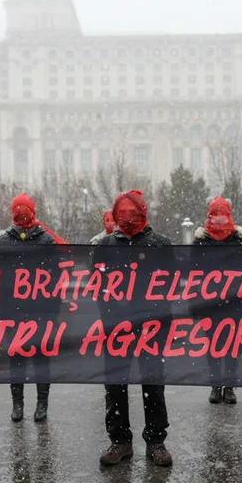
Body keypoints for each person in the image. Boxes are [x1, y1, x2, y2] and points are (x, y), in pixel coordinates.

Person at [95, 190, 173, 467]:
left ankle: (156, 441)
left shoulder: (161, 245)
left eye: (132, 212)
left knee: (153, 384)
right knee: (115, 385)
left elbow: (171, 286)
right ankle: (120, 441)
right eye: (122, 212)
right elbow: (97, 287)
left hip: (152, 327)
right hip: (116, 328)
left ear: (142, 213)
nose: (127, 217)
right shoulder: (104, 247)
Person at [0, 193, 64, 423]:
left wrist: (54, 310)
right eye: (17, 209)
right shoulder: (3, 241)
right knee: (16, 358)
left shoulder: (46, 241)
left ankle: (42, 403)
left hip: (41, 310)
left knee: (41, 358)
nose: (21, 214)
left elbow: (55, 278)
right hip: (13, 311)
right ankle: (18, 404)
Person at [193, 196, 242, 405]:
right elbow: (194, 275)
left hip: (234, 302)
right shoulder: (201, 241)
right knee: (214, 346)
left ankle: (229, 386)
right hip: (209, 304)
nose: (218, 221)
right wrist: (195, 304)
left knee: (233, 346)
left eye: (221, 216)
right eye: (215, 216)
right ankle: (216, 385)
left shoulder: (238, 240)